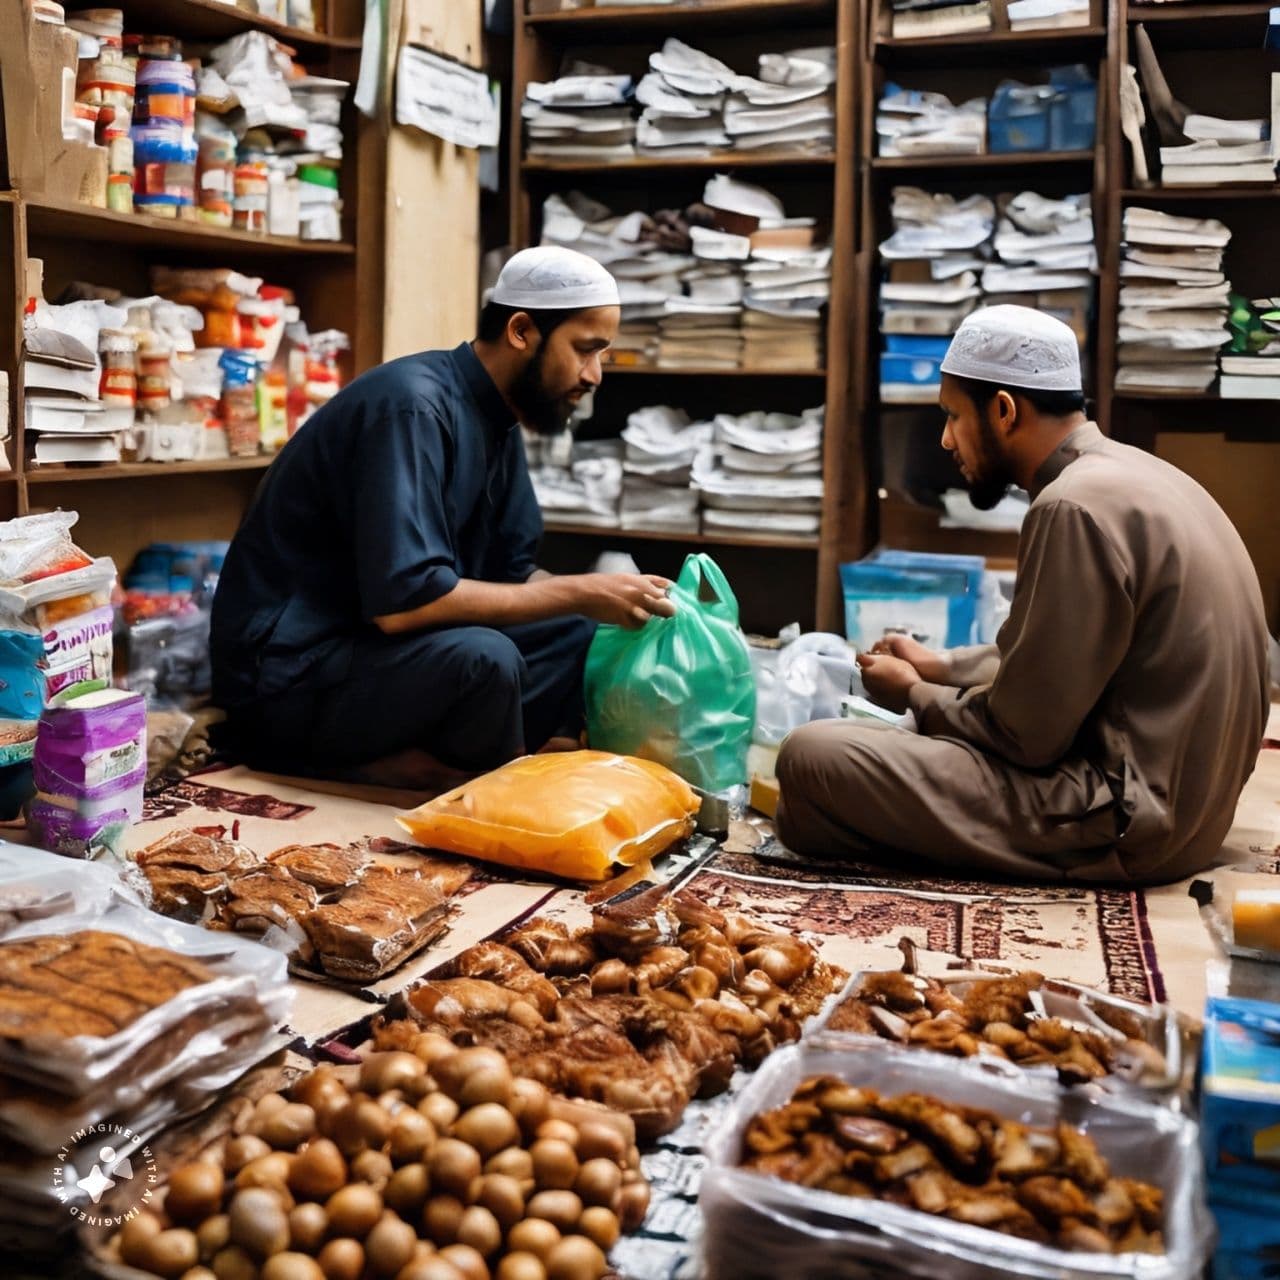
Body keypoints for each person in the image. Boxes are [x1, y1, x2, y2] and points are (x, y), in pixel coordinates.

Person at [776, 305, 1270, 884]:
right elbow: (1062, 660)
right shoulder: (1138, 475)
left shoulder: (1070, 507)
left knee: (811, 759)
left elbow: (1025, 737)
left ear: (1005, 411)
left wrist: (914, 693)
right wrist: (941, 666)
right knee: (876, 754)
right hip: (1192, 819)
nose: (945, 439)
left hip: (1124, 825)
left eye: (953, 416)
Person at [210, 246, 675, 786]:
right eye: (585, 350)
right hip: (291, 671)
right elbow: (404, 607)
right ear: (522, 331)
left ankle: (464, 759)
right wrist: (579, 590)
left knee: (576, 628)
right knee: (486, 658)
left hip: (372, 650)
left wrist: (614, 599)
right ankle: (398, 769)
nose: (594, 376)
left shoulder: (498, 417)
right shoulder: (412, 406)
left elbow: (512, 574)